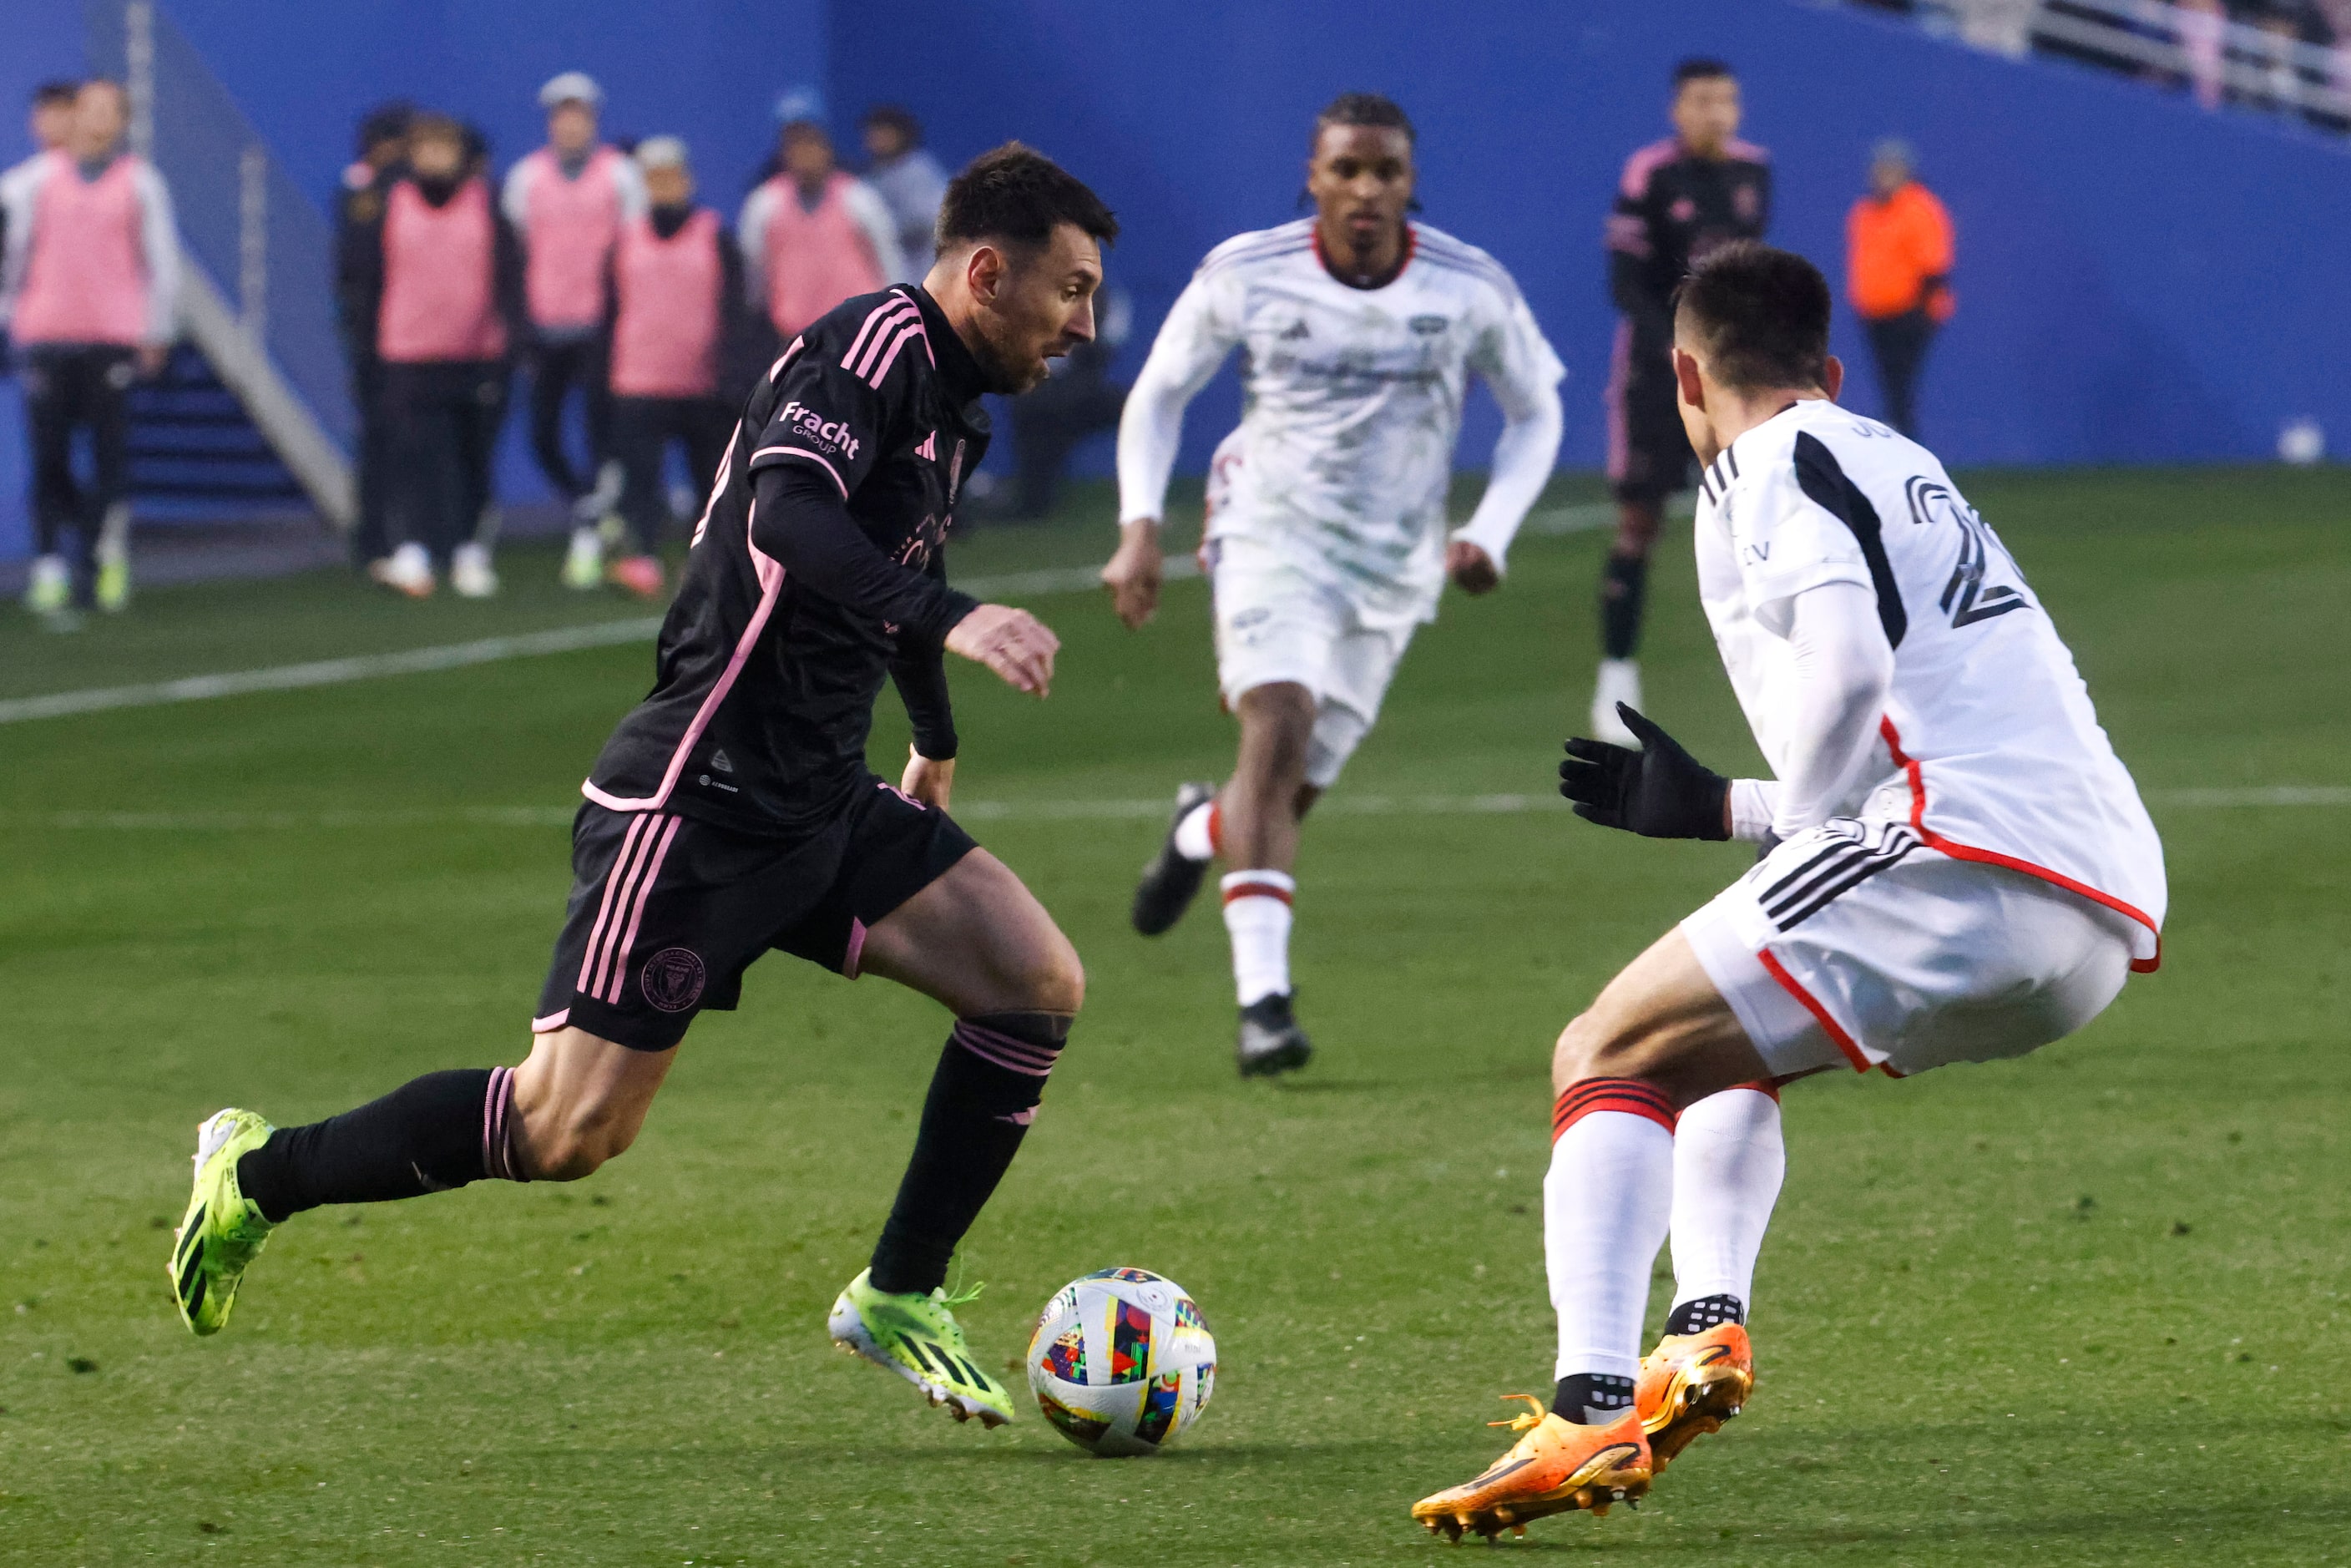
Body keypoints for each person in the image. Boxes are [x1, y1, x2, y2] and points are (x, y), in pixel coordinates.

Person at [171, 144, 1120, 1434]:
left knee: (1034, 982)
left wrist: (934, 727)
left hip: (818, 795)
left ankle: (900, 1292)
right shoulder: (879, 345)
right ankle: (256, 1175)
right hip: (699, 798)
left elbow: (875, 559)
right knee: (567, 1131)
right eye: (1070, 289)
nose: (1083, 324)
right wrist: (952, 618)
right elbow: (790, 514)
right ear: (990, 272)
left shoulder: (951, 404)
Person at [1408, 243, 2165, 1540]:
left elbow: (1854, 669)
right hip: (2096, 908)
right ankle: (1704, 1330)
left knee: (1605, 1049)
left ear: (1683, 377)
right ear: (1826, 364)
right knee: (1710, 1050)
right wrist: (1733, 811)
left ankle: (1588, 1407)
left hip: (1965, 851)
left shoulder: (1768, 461)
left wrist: (1783, 823)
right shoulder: (1893, 454)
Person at [1103, 93, 1565, 1075]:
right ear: (1311, 178)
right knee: (1276, 721)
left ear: (1409, 184)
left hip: (1393, 565)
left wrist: (1489, 530)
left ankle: (1198, 829)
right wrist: (1138, 528)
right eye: (1345, 170)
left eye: (1384, 172)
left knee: (1281, 793)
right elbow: (1159, 391)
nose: (1364, 190)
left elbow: (1536, 415)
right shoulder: (1247, 273)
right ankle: (1263, 1006)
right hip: (1267, 530)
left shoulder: (1468, 287)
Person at [1594, 58, 1769, 747]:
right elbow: (1624, 283)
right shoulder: (1650, 175)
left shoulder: (1754, 171)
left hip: (1733, 377)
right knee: (1640, 524)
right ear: (1678, 109)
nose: (1716, 112)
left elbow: (1753, 272)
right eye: (1702, 100)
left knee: (1755, 522)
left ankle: (1776, 676)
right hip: (1654, 374)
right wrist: (1682, 345)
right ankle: (1616, 679)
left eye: (1727, 99)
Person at [0, 79, 179, 620]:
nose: (97, 121)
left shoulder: (141, 183)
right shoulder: (28, 184)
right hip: (45, 335)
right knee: (49, 456)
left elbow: (162, 261)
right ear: (69, 117)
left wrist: (157, 330)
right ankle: (53, 563)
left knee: (109, 460)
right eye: (88, 109)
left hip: (112, 339)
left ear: (123, 121)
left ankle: (106, 560)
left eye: (109, 111)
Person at [346, 113, 522, 599]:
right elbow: (366, 276)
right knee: (409, 457)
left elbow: (509, 277)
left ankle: (469, 551)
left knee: (472, 458)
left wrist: (510, 344)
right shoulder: (391, 204)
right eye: (426, 149)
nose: (436, 158)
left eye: (445, 149)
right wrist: (367, 344)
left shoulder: (485, 206)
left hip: (475, 354)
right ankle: (413, 550)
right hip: (405, 352)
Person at [503, 72, 645, 591]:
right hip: (546, 330)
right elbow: (516, 251)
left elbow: (637, 249)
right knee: (542, 436)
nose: (570, 125)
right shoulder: (525, 179)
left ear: (593, 121)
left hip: (604, 328)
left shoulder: (620, 176)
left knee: (602, 435)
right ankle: (594, 509)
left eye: (579, 115)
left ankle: (588, 536)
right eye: (562, 115)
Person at [599, 136, 748, 599]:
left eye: (672, 177)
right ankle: (642, 555)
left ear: (688, 180)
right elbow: (609, 311)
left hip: (702, 383)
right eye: (654, 179)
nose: (664, 187)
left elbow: (736, 311)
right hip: (638, 379)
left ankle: (709, 561)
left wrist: (732, 373)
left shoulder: (715, 236)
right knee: (640, 479)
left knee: (712, 481)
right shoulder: (623, 241)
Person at [333, 100, 414, 574]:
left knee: (397, 443)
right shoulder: (363, 190)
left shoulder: (386, 190)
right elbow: (355, 264)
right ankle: (376, 538)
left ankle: (398, 536)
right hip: (376, 336)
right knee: (381, 441)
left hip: (403, 336)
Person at [741, 118, 904, 348]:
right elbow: (755, 266)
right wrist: (758, 311)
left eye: (813, 149)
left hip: (857, 329)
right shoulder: (765, 204)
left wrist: (895, 307)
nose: (806, 159)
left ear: (827, 152)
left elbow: (887, 254)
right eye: (798, 151)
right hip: (795, 335)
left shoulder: (857, 197)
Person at [1846, 139, 1953, 440]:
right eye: (1879, 170)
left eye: (1891, 170)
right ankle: (1900, 440)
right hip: (1875, 313)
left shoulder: (1919, 207)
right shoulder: (1864, 212)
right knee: (1890, 383)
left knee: (1901, 384)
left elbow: (1934, 266)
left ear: (1906, 172)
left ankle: (1906, 443)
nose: (1883, 176)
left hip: (1911, 313)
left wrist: (1922, 312)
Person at [999, 280, 1129, 519]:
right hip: (1043, 393)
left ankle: (1136, 496)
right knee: (1032, 407)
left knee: (1135, 408)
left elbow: (1100, 355)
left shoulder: (1108, 303)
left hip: (1085, 393)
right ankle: (1035, 499)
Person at [861, 104, 949, 281]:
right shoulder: (872, 177)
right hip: (890, 279)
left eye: (882, 131)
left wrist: (880, 229)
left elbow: (929, 219)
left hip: (923, 272)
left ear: (900, 134)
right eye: (872, 132)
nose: (875, 138)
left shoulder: (918, 169)